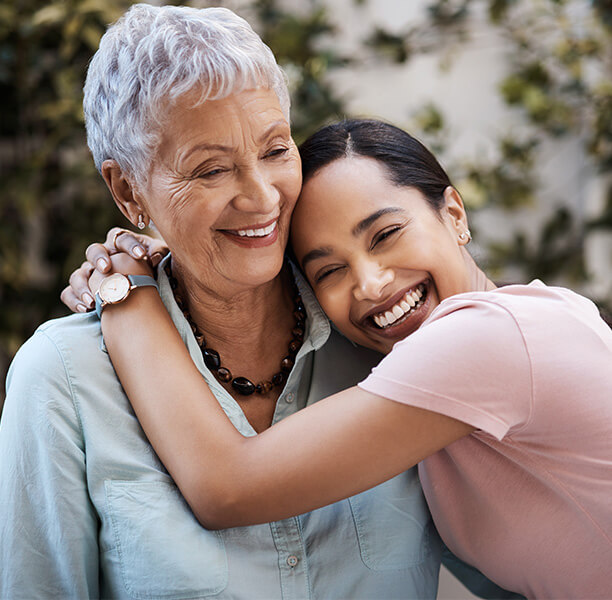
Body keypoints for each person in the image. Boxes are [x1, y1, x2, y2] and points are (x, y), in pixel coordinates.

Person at [0, 5, 511, 600]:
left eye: (274, 150)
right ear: (128, 190)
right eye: (212, 170)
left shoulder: (382, 332)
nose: (261, 197)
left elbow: (528, 563)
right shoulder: (64, 380)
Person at [64, 119, 612, 599]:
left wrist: (127, 291)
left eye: (386, 234)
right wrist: (182, 260)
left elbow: (227, 488)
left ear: (453, 212)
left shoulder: (491, 337)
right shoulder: (408, 382)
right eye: (329, 271)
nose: (371, 285)